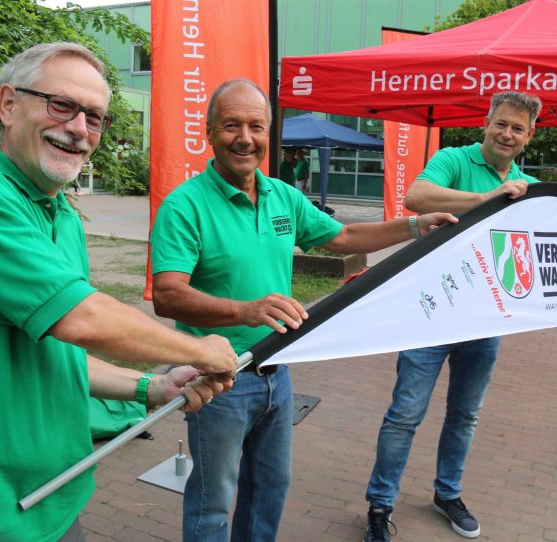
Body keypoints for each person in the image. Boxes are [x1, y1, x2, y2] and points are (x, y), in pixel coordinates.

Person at [0, 42, 238, 542]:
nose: (79, 128)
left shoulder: (64, 220)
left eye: (95, 117)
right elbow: (82, 319)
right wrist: (199, 347)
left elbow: (59, 352)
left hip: (53, 498)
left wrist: (151, 388)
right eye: (62, 105)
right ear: (8, 105)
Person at [149, 78, 457, 542]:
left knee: (271, 486)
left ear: (269, 134)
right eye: (232, 125)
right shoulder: (185, 206)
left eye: (256, 126)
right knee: (214, 500)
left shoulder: (281, 196)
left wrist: (414, 225)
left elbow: (344, 239)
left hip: (278, 373)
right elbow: (168, 293)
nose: (245, 138)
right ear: (209, 131)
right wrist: (246, 310)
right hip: (217, 379)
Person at [362, 91, 557, 541]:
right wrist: (488, 196)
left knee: (465, 414)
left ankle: (448, 494)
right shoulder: (453, 158)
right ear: (486, 123)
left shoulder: (526, 183)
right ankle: (379, 504)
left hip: (483, 319)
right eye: (501, 123)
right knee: (405, 414)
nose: (507, 134)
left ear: (528, 137)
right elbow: (416, 197)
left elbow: (554, 234)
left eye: (517, 128)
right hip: (429, 312)